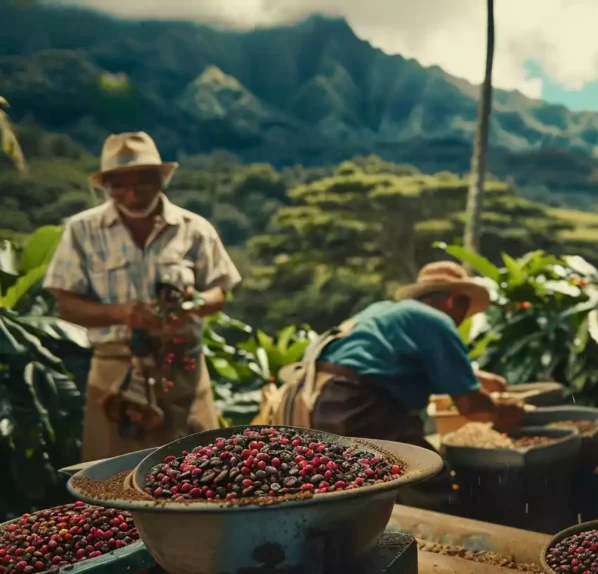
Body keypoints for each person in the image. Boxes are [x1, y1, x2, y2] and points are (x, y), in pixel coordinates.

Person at [259, 260, 527, 509]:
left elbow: (383, 360)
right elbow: (469, 405)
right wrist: (503, 412)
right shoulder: (437, 320)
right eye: (465, 310)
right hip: (358, 402)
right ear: (455, 299)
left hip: (316, 398)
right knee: (424, 477)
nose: (463, 319)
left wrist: (480, 379)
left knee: (361, 482)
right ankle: (441, 549)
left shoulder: (385, 312)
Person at [44, 131, 241, 462]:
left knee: (200, 472)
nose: (132, 194)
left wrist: (194, 304)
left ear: (161, 180)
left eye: (143, 183)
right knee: (111, 480)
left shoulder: (194, 229)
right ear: (106, 186)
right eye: (119, 185)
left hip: (182, 370)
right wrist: (122, 313)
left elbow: (219, 293)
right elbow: (66, 305)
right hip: (114, 374)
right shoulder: (82, 230)